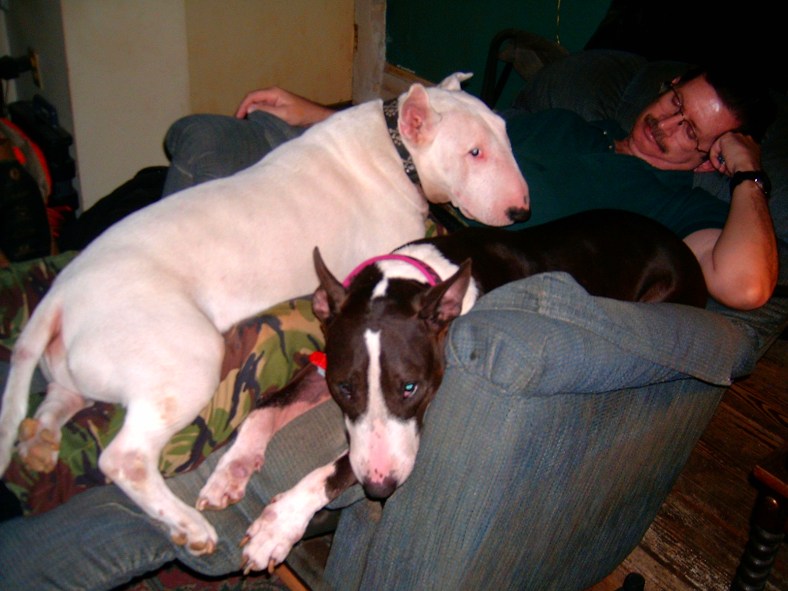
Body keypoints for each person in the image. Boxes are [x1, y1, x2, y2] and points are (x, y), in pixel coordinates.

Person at [0, 58, 779, 590]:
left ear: (715, 155)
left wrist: (747, 173)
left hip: (494, 307)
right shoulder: (559, 128)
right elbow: (433, 136)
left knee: (233, 407)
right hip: (412, 271)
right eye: (676, 103)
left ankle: (42, 542)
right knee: (193, 197)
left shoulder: (682, 205)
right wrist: (317, 116)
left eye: (695, 133)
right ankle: (70, 400)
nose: (669, 126)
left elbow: (745, 283)